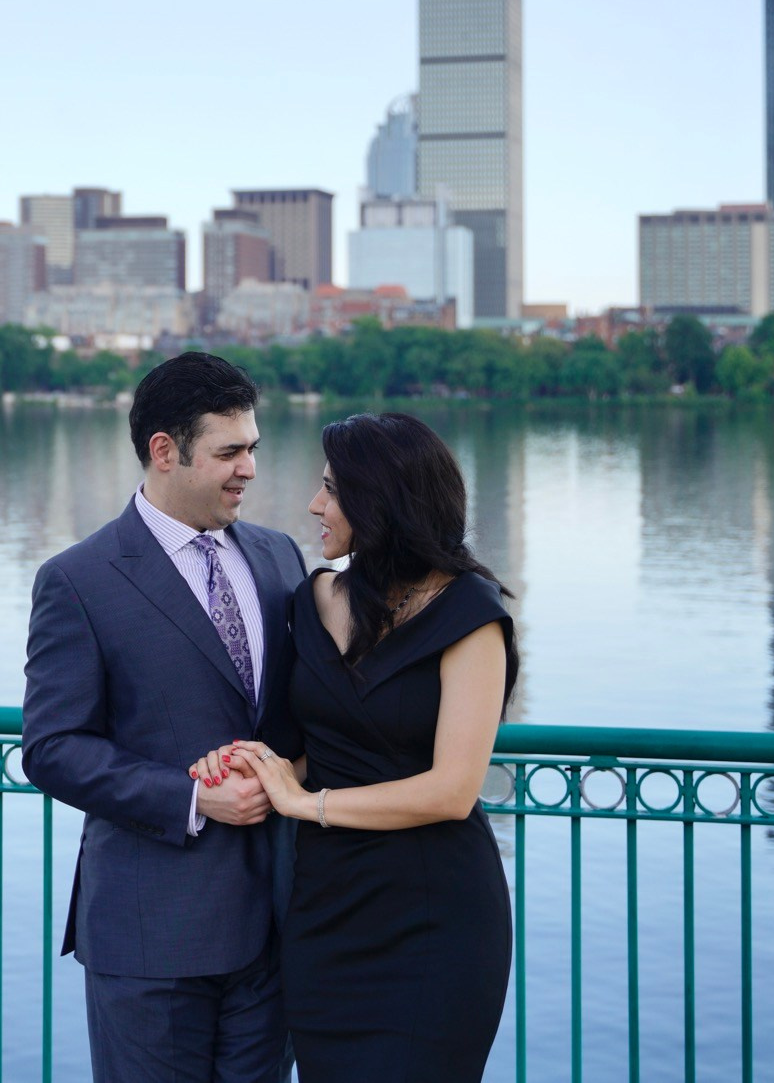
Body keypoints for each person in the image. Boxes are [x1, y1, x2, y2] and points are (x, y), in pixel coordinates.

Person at [191, 412, 518, 1081]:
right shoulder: (309, 600)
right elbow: (297, 748)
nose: (315, 503)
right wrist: (232, 764)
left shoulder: (470, 615)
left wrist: (305, 803)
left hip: (436, 920)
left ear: (383, 503)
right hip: (327, 914)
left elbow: (453, 791)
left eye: (333, 490)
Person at [22, 352, 308, 1083]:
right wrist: (192, 798)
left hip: (274, 929)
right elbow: (52, 747)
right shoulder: (77, 579)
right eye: (229, 451)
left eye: (253, 448)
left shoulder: (279, 557)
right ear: (163, 450)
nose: (249, 468)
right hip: (150, 938)